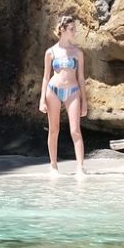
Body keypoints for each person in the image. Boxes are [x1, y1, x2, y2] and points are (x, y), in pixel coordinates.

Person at [38, 13, 88, 174]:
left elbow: (81, 78)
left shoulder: (77, 53)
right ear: (62, 30)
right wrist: (42, 100)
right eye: (72, 29)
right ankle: (53, 165)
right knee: (54, 129)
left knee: (75, 130)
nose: (74, 32)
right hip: (53, 90)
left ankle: (80, 166)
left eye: (75, 29)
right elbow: (46, 77)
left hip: (73, 91)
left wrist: (84, 102)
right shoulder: (50, 52)